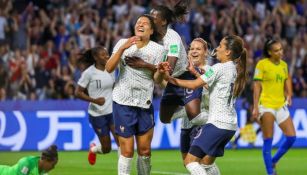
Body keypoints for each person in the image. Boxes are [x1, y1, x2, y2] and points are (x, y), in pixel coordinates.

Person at [158, 35, 248, 175]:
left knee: (191, 162)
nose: (217, 48)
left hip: (216, 123)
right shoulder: (232, 69)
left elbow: (194, 85)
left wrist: (171, 79)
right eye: (191, 48)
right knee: (205, 165)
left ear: (228, 52)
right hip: (228, 125)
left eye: (220, 46)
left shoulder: (217, 68)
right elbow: (210, 86)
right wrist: (194, 72)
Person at [105, 14, 165, 175]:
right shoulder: (122, 43)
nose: (140, 24)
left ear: (151, 30)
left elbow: (158, 80)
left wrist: (156, 70)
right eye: (138, 22)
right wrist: (123, 48)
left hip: (144, 103)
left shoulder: (158, 50)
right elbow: (109, 68)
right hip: (122, 102)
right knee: (127, 151)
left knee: (145, 152)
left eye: (145, 23)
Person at [150, 1, 203, 124]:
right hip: (171, 81)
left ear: (163, 22)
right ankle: (186, 110)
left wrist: (145, 65)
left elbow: (169, 70)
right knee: (164, 119)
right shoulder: (151, 37)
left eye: (153, 18)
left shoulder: (172, 39)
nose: (149, 19)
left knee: (195, 119)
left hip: (185, 77)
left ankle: (203, 112)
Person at [252, 38, 296, 175]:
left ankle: (273, 160)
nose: (280, 52)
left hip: (280, 105)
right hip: (266, 106)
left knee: (291, 137)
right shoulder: (262, 64)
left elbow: (287, 78)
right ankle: (270, 172)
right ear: (270, 52)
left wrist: (289, 93)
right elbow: (257, 86)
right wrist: (255, 107)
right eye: (277, 50)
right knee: (268, 140)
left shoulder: (283, 65)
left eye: (281, 49)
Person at [75, 46, 119, 165]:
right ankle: (93, 149)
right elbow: (78, 92)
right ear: (95, 57)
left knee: (121, 142)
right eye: (103, 55)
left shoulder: (111, 69)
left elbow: (113, 86)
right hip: (97, 115)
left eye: (107, 54)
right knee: (107, 149)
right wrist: (94, 100)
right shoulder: (89, 73)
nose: (107, 56)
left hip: (112, 112)